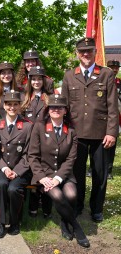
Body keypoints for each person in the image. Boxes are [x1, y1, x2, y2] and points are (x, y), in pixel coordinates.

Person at [61, 37, 118, 222]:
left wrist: (111, 132)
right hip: (76, 134)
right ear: (77, 54)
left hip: (101, 134)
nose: (85, 54)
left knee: (99, 174)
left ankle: (96, 209)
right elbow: (64, 106)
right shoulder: (69, 75)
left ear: (95, 52)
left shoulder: (107, 74)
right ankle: (77, 205)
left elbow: (112, 106)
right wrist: (64, 131)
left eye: (89, 51)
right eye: (82, 51)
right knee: (77, 174)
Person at [28, 94, 90, 248]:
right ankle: (76, 227)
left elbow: (71, 159)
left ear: (65, 111)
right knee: (57, 194)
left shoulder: (71, 131)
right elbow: (33, 156)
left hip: (64, 173)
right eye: (52, 107)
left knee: (71, 194)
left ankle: (64, 222)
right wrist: (42, 177)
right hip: (45, 174)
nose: (56, 109)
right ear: (48, 110)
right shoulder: (39, 127)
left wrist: (59, 178)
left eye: (59, 107)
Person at [0, 90, 33, 238]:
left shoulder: (28, 126)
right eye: (9, 104)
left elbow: (29, 153)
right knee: (2, 185)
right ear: (4, 106)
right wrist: (4, 168)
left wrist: (16, 171)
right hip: (1, 168)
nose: (12, 107)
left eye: (15, 104)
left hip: (20, 169)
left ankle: (15, 221)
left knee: (13, 189)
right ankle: (1, 222)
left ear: (20, 106)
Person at [21, 66, 54, 217]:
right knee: (32, 172)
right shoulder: (24, 98)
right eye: (33, 79)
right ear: (29, 81)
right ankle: (32, 205)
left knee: (45, 170)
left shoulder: (49, 98)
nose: (36, 82)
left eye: (39, 79)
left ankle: (47, 207)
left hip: (45, 141)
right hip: (27, 141)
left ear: (43, 81)